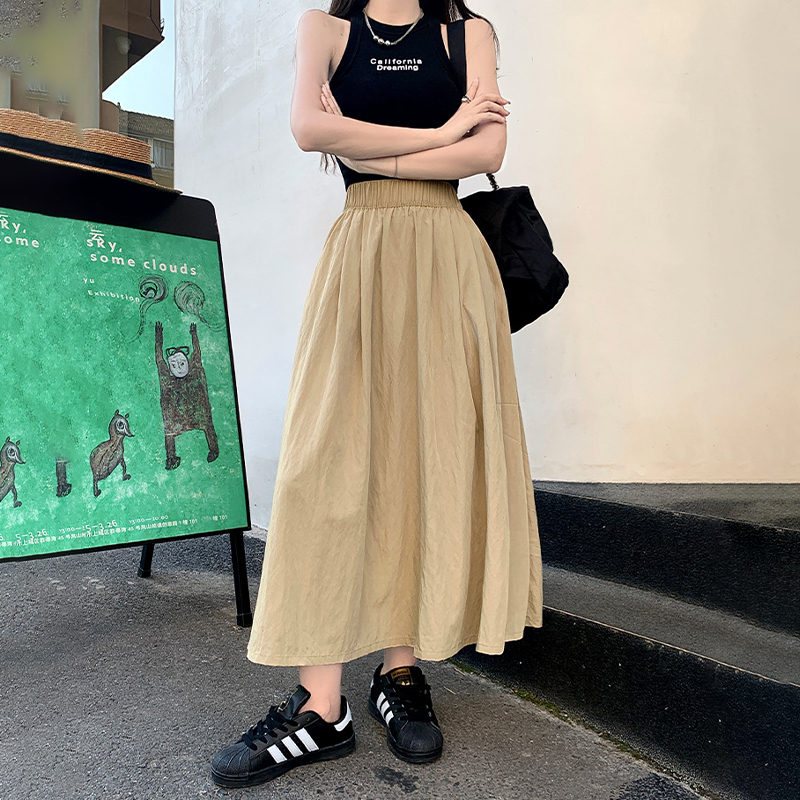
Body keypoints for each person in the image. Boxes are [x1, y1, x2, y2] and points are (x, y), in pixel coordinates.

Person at [211, 0, 543, 788]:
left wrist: (376, 143)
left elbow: (488, 148)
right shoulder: (325, 31)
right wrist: (441, 132)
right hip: (361, 253)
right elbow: (309, 130)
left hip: (449, 260)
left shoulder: (467, 34)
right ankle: (319, 706)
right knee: (322, 464)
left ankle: (400, 671)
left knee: (423, 459)